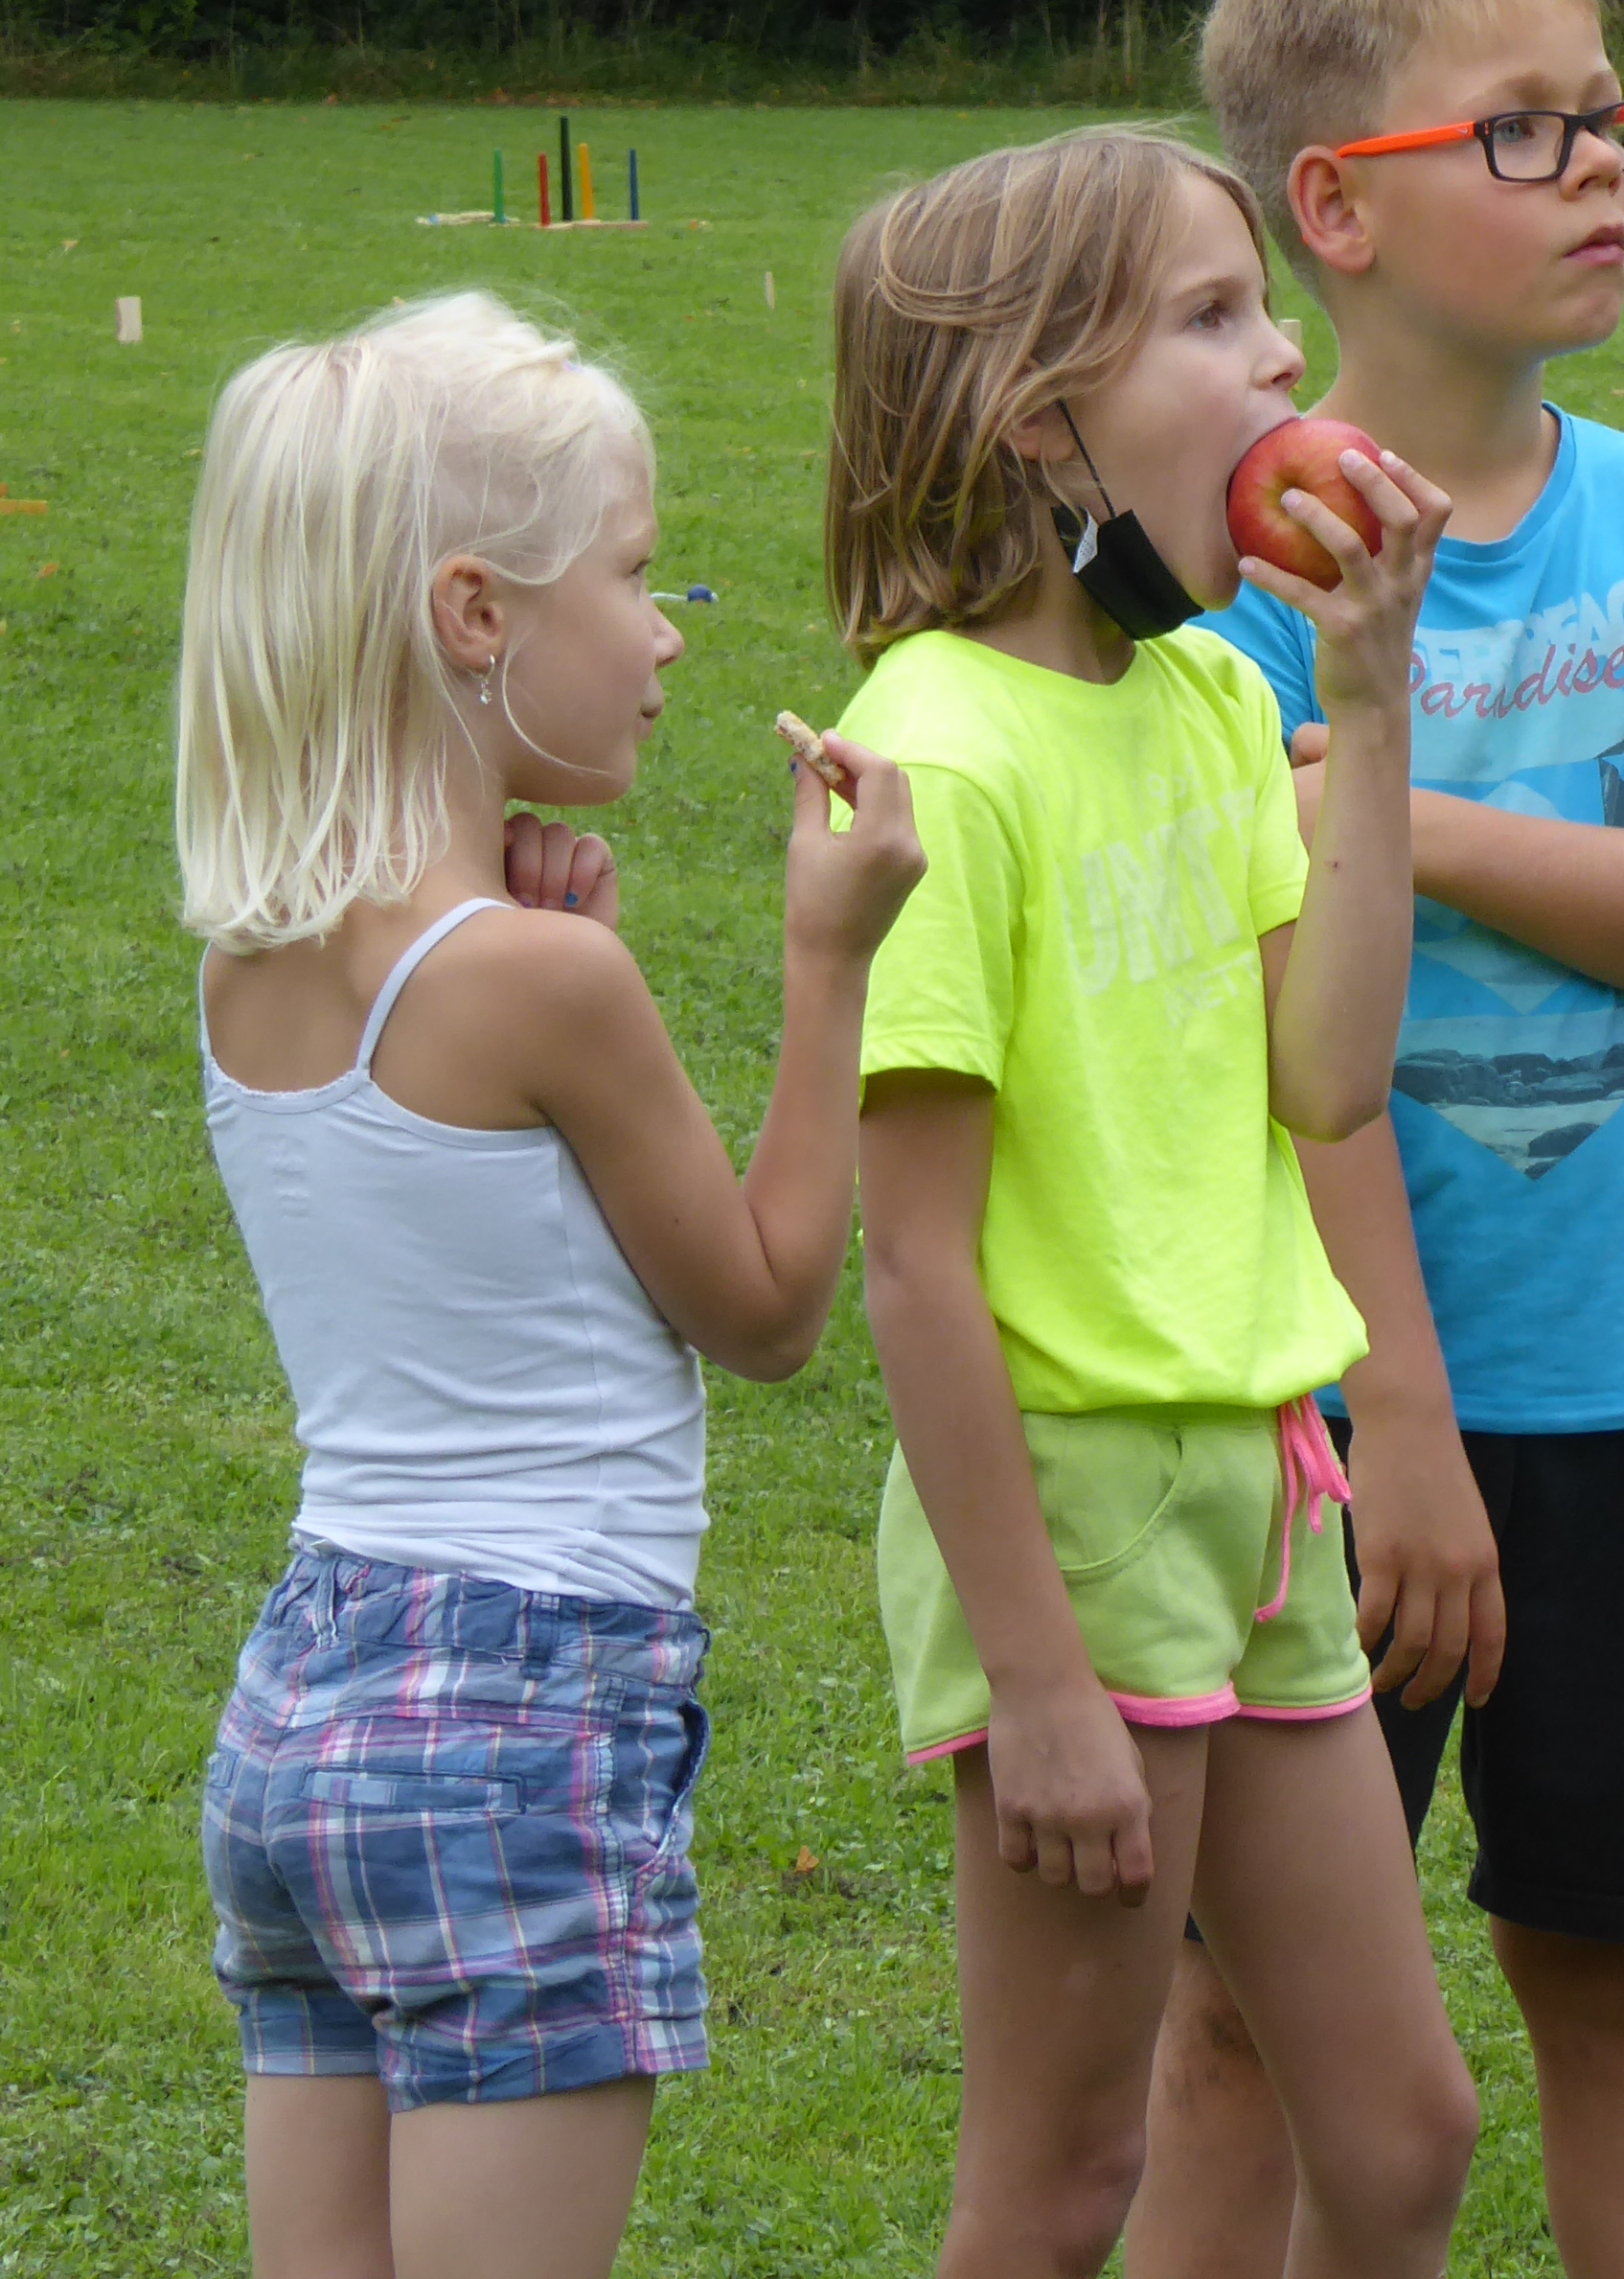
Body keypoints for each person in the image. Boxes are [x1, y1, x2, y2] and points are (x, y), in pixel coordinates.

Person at [1134, 0, 1624, 2279]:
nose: (1602, 163)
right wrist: (1398, 1427)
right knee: (1239, 2028)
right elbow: (1276, 1074)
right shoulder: (1222, 588)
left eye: (1607, 115)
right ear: (1335, 207)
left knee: (1616, 1982)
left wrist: (1391, 815)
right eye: (1521, 129)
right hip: (1318, 1423)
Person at [172, 289, 924, 2279]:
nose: (667, 632)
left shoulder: (251, 963)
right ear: (476, 615)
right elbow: (767, 1308)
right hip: (518, 1711)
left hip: (306, 1698)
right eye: (635, 574)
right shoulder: (544, 981)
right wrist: (830, 959)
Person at [825, 127, 1482, 2278]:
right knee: (1056, 2189)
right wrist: (1032, 1682)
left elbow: (1328, 1078)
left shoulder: (1212, 693)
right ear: (1042, 424)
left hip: (1262, 1481)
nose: (1282, 353)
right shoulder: (939, 750)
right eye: (1209, 317)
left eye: (1260, 306)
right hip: (1077, 1518)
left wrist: (1366, 700)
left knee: (1399, 2141)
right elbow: (917, 1270)